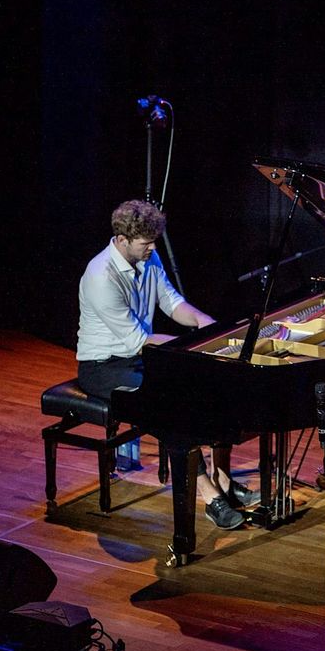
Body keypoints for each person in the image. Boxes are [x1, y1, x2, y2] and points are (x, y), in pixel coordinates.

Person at [76, 199, 258, 529]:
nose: (153, 247)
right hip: (103, 367)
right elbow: (136, 339)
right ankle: (209, 496)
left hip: (139, 357)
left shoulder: (148, 257)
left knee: (213, 384)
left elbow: (173, 303)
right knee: (172, 401)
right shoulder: (100, 276)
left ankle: (224, 480)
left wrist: (211, 327)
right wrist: (191, 348)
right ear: (122, 239)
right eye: (146, 243)